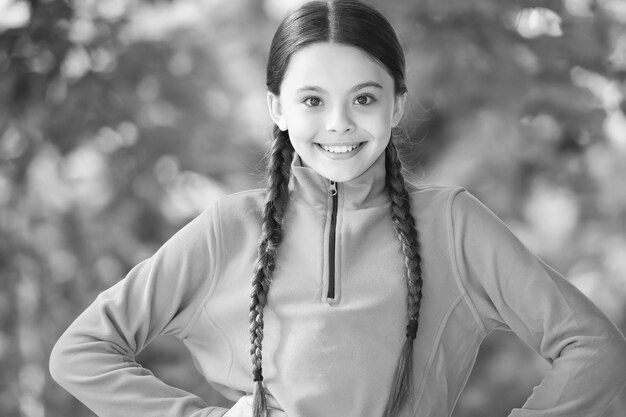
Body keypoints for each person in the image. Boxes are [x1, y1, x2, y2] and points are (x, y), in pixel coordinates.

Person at [49, 1, 626, 416]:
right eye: (312, 100)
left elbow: (594, 349)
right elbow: (81, 352)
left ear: (398, 105)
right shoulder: (229, 229)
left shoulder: (453, 224)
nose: (339, 123)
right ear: (277, 107)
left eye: (365, 98)